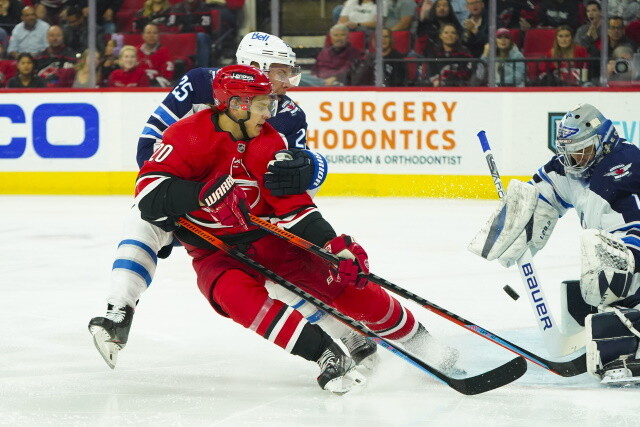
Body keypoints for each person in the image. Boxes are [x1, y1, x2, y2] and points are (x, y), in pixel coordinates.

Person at [129, 64, 448, 394]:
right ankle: (328, 355)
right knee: (235, 297)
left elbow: (292, 206)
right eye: (262, 104)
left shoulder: (269, 142)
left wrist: (334, 245)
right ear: (237, 105)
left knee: (352, 287)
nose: (268, 113)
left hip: (273, 241)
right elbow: (148, 195)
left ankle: (428, 348)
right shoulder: (188, 136)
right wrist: (199, 194)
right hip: (217, 252)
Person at [88, 32, 387, 380]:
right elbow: (151, 143)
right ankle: (117, 314)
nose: (287, 81)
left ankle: (346, 333)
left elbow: (291, 186)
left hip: (241, 209)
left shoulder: (289, 114)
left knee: (273, 259)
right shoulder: (200, 83)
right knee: (142, 217)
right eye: (279, 71)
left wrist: (313, 166)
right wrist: (186, 198)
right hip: (189, 196)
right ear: (253, 67)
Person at [469, 103, 640, 385]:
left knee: (603, 256)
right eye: (567, 151)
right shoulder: (574, 168)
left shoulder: (626, 164)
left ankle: (630, 338)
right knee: (601, 265)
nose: (571, 159)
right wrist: (517, 217)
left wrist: (629, 256)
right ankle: (621, 323)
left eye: (579, 150)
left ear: (603, 141)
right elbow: (541, 195)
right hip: (625, 255)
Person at [427, 23, 474, 87]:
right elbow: (431, 73)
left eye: (453, 33)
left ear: (457, 37)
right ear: (441, 36)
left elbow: (467, 73)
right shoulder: (434, 53)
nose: (450, 35)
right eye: (446, 33)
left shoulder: (464, 53)